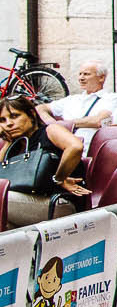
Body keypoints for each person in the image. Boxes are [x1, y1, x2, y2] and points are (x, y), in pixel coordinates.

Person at [2, 95, 86, 226]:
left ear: (31, 114)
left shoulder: (50, 131)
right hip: (24, 203)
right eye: (2, 120)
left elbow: (75, 147)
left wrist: (59, 178)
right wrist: (8, 142)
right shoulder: (15, 145)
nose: (9, 123)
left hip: (59, 203)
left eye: (14, 116)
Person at [38, 58, 116, 128]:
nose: (81, 78)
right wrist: (52, 124)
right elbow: (40, 108)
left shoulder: (111, 98)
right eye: (80, 74)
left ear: (101, 78)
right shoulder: (71, 99)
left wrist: (64, 124)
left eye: (86, 74)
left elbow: (99, 121)